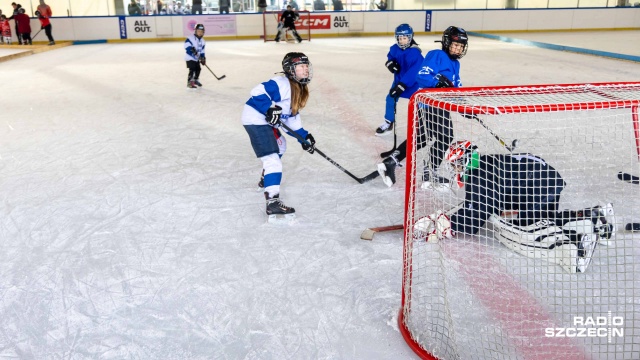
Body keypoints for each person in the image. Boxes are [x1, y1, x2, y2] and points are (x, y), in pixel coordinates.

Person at [412, 140, 616, 274]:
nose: (454, 169)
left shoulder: (478, 176)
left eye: (456, 164)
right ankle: (595, 217)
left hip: (539, 186)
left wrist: (447, 226)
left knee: (526, 228)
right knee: (540, 220)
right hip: (546, 182)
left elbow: (477, 216)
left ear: (465, 161)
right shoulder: (485, 164)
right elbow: (487, 203)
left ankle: (574, 248)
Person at [377, 26, 469, 188]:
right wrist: (437, 82)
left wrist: (463, 105)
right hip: (430, 102)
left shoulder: (455, 64)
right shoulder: (437, 55)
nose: (457, 49)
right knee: (445, 137)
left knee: (421, 138)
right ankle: (430, 172)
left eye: (460, 46)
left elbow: (456, 87)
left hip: (438, 104)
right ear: (447, 43)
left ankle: (391, 162)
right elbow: (422, 76)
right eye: (455, 45)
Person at [241, 52, 315, 222]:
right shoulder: (282, 83)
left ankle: (265, 178)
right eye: (301, 66)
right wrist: (268, 108)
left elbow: (291, 120)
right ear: (291, 70)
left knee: (280, 145)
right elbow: (257, 91)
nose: (306, 69)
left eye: (306, 66)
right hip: (256, 119)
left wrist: (304, 137)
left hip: (266, 121)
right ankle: (272, 202)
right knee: (272, 159)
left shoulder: (299, 89)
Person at [375, 24, 422, 137]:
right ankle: (388, 122)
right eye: (399, 38)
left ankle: (423, 126)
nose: (401, 41)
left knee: (419, 103)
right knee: (390, 98)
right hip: (399, 80)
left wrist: (403, 85)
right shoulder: (395, 48)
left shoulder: (415, 53)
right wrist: (390, 63)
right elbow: (391, 56)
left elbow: (414, 72)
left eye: (404, 38)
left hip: (413, 83)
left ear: (410, 38)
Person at [184, 23, 206, 88]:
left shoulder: (203, 41)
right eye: (198, 31)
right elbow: (187, 47)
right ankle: (190, 82)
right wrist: (192, 50)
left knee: (198, 69)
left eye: (201, 32)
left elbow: (202, 50)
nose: (200, 33)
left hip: (196, 58)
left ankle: (195, 80)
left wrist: (203, 58)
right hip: (190, 58)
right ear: (195, 31)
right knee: (192, 69)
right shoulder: (190, 38)